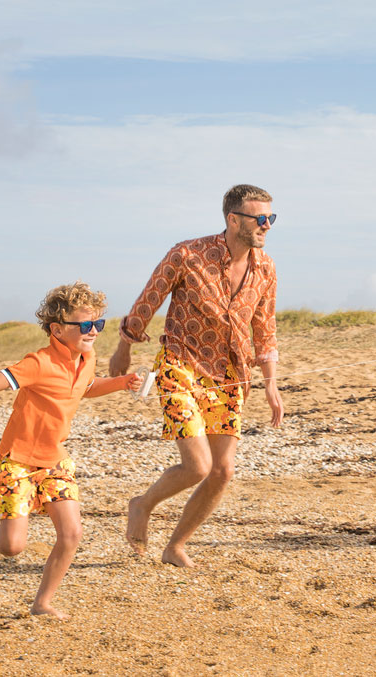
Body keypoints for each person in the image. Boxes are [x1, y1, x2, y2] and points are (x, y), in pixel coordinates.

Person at [0, 282, 142, 619]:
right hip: (16, 463)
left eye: (98, 324)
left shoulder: (86, 357)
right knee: (12, 547)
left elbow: (84, 388)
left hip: (55, 461)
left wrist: (120, 383)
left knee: (71, 534)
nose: (94, 331)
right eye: (85, 326)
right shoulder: (38, 363)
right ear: (57, 329)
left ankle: (42, 603)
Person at [110, 183, 284, 568]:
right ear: (233, 219)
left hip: (230, 374)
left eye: (272, 218)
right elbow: (148, 300)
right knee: (198, 466)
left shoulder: (266, 267)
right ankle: (143, 504)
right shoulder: (187, 254)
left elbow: (264, 326)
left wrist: (271, 383)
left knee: (222, 471)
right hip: (179, 365)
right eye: (260, 218)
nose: (267, 225)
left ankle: (175, 546)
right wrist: (123, 348)